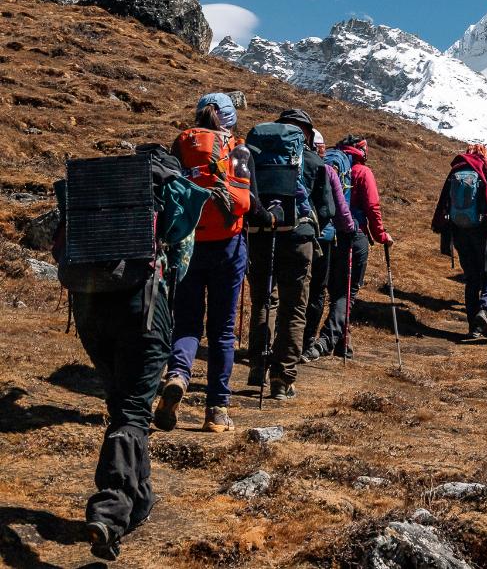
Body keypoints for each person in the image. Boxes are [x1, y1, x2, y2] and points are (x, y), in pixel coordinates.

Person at [56, 144, 208, 561]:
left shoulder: (96, 195)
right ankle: (110, 510)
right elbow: (182, 263)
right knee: (133, 413)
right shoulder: (171, 191)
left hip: (89, 307)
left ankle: (139, 498)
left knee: (122, 403)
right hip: (143, 308)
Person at [154, 94, 252, 434]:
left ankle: (178, 375)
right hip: (228, 246)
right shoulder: (238, 149)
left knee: (187, 323)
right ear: (230, 119)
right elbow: (246, 202)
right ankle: (217, 411)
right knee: (222, 330)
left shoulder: (183, 144)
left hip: (189, 244)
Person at [245, 109, 336, 399]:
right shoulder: (313, 161)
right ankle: (282, 379)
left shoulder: (255, 157)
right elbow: (328, 210)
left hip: (260, 235)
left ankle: (257, 367)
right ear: (306, 133)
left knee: (263, 300)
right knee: (293, 308)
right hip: (298, 238)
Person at [305, 134, 392, 360]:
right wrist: (381, 235)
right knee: (347, 293)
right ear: (362, 151)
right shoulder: (363, 172)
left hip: (328, 234)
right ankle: (325, 341)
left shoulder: (330, 164)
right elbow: (372, 207)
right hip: (354, 235)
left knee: (333, 289)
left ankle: (342, 344)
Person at [432, 143, 487, 340]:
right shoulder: (486, 168)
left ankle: (473, 329)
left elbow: (444, 202)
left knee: (471, 278)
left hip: (459, 231)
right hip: (483, 231)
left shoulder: (456, 169)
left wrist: (441, 227)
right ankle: (484, 310)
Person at [301, 129, 357, 357]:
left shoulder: (294, 165)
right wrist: (350, 229)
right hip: (323, 237)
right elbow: (341, 210)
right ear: (319, 147)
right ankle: (306, 342)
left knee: (291, 290)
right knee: (316, 291)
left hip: (288, 233)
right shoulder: (326, 169)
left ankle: (273, 343)